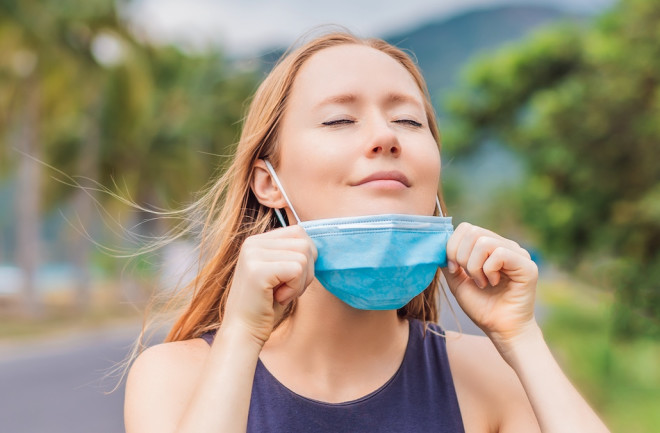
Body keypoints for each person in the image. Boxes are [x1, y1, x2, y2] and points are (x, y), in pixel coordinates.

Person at [123, 32, 610, 433]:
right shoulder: (174, 378)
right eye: (340, 119)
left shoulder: (489, 377)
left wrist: (521, 337)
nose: (386, 137)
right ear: (270, 182)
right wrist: (240, 336)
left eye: (408, 119)